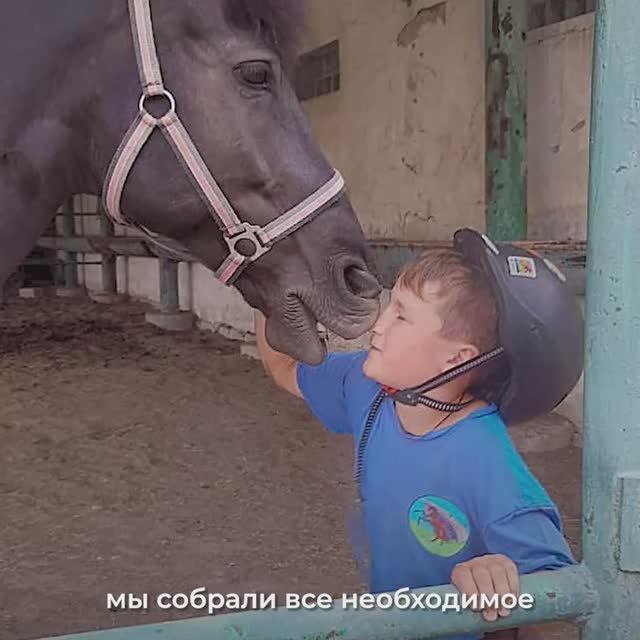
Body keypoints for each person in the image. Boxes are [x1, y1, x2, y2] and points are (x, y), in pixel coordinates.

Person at [254, 228, 584, 640]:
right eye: (388, 305)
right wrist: (266, 283)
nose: (377, 324)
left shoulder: (487, 465)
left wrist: (501, 573)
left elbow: (562, 607)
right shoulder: (366, 387)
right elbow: (284, 368)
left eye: (402, 315)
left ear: (457, 358)